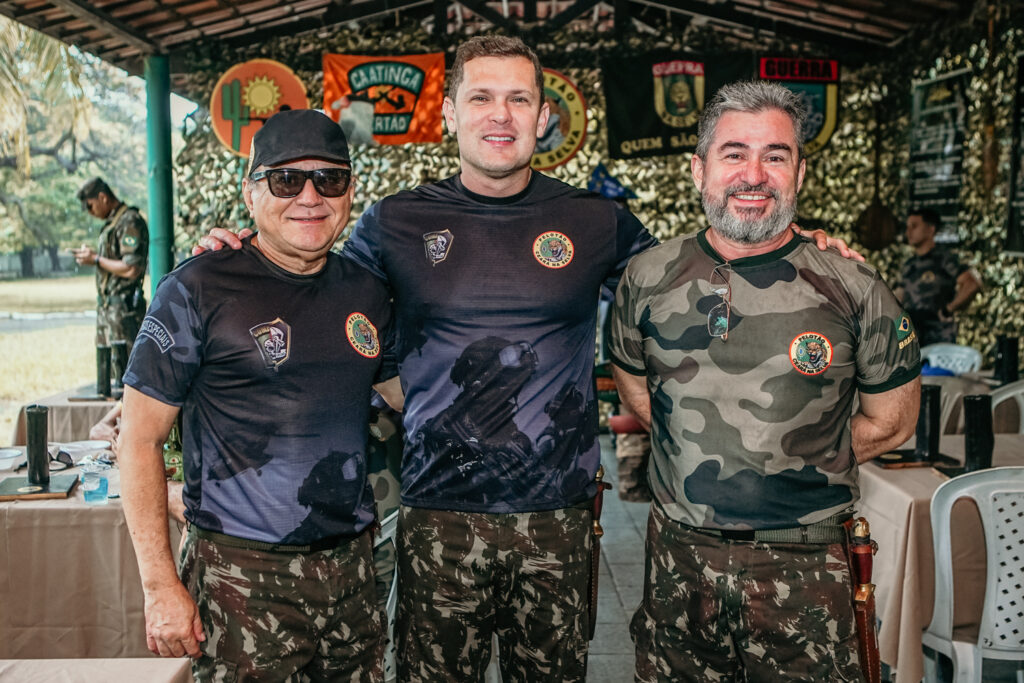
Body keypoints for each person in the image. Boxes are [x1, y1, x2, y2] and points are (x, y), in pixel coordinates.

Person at [196, 37, 863, 682]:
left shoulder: (596, 221)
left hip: (558, 520)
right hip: (438, 516)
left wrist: (791, 246)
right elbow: (311, 287)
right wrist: (237, 253)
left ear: (544, 118)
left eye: (519, 99)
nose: (500, 114)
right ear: (450, 113)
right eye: (481, 97)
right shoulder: (393, 222)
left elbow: (697, 273)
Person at [609, 80, 921, 682]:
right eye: (734, 154)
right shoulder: (647, 277)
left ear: (799, 172)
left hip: (808, 568)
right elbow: (638, 390)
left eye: (775, 155)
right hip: (680, 562)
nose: (754, 174)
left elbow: (894, 420)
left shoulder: (854, 286)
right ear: (699, 169)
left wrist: (795, 458)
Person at [118, 109, 395, 681]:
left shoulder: (367, 290)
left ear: (350, 189)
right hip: (241, 581)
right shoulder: (197, 287)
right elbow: (139, 440)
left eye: (330, 179)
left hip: (353, 573)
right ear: (251, 193)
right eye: (287, 180)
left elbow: (411, 396)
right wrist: (160, 586)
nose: (310, 196)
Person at [73, 177, 149, 355]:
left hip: (125, 312)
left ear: (103, 197)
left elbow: (131, 269)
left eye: (90, 206)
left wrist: (96, 260)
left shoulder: (130, 221)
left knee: (127, 375)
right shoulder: (112, 224)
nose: (90, 212)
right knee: (107, 372)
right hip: (109, 311)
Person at [895, 208, 982, 347]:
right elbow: (899, 296)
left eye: (914, 226)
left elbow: (972, 284)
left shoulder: (945, 259)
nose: (908, 232)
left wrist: (949, 309)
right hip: (911, 338)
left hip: (938, 337)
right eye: (907, 227)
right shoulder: (909, 265)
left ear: (931, 229)